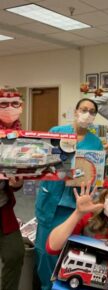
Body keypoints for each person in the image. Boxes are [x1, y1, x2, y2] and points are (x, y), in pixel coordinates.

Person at [35, 98, 106, 290]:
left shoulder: (95, 142)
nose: (87, 114)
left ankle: (61, 285)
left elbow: (95, 174)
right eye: (84, 109)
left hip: (74, 203)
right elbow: (41, 160)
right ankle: (45, 286)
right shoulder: (57, 132)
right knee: (44, 251)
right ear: (75, 111)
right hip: (50, 197)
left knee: (67, 249)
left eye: (92, 111)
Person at [0, 87, 25, 290]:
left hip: (4, 209)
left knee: (15, 253)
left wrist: (16, 183)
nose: (9, 109)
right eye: (3, 105)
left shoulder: (21, 136)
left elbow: (15, 179)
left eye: (14, 104)